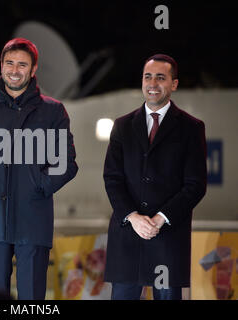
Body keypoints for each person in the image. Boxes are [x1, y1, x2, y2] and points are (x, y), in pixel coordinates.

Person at [0, 38, 78, 299]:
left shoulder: (53, 111)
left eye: (22, 64)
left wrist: (40, 186)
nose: (14, 70)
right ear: (1, 66)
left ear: (33, 69)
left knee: (31, 300)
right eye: (9, 63)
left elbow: (66, 163)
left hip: (33, 218)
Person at [103, 54, 207, 300]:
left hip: (168, 240)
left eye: (160, 78)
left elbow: (195, 185)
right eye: (147, 77)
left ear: (174, 84)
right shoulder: (122, 126)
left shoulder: (192, 128)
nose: (152, 83)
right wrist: (133, 217)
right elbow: (112, 178)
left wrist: (160, 219)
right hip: (127, 238)